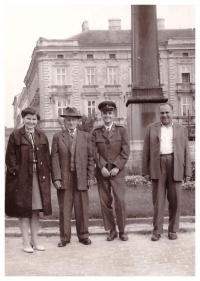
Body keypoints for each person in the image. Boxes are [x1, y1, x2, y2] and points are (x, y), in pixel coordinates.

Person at [142, 102, 191, 241]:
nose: (165, 115)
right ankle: (157, 231)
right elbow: (146, 151)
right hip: (158, 164)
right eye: (162, 113)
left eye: (167, 112)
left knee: (175, 199)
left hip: (175, 164)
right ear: (159, 114)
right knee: (158, 200)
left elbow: (187, 151)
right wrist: (145, 171)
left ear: (172, 112)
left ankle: (173, 230)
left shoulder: (181, 129)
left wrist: (187, 172)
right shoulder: (151, 128)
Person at [5, 107, 52, 253]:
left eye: (34, 119)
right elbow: (10, 158)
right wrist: (17, 174)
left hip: (38, 178)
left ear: (37, 121)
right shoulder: (15, 136)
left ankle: (35, 241)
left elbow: (47, 157)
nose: (31, 122)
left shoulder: (42, 136)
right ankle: (25, 242)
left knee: (35, 210)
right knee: (23, 210)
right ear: (23, 119)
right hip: (22, 180)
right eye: (28, 119)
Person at [51, 107, 94, 247]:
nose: (70, 122)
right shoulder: (58, 137)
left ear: (78, 121)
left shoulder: (86, 136)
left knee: (82, 207)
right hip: (64, 177)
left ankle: (83, 235)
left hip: (81, 176)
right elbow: (54, 158)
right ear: (64, 121)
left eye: (73, 120)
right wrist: (56, 177)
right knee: (65, 207)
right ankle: (64, 237)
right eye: (68, 120)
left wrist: (90, 176)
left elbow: (90, 157)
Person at [92, 101, 130, 241]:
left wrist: (116, 167)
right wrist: (101, 167)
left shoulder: (122, 130)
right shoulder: (96, 132)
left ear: (114, 114)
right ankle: (111, 230)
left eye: (110, 113)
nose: (107, 115)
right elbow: (93, 151)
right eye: (104, 113)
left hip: (117, 173)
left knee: (120, 201)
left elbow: (126, 151)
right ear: (101, 115)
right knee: (105, 202)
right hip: (102, 173)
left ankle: (122, 230)